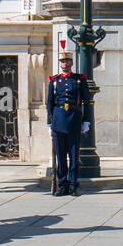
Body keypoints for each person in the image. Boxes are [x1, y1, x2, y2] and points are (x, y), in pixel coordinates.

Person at [46, 49, 91, 196]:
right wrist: (49, 123)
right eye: (62, 61)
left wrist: (86, 121)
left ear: (71, 63)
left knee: (73, 156)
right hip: (58, 121)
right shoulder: (54, 80)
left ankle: (73, 184)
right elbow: (50, 103)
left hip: (74, 120)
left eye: (67, 61)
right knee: (60, 156)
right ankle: (62, 184)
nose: (64, 64)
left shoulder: (79, 79)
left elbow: (86, 102)